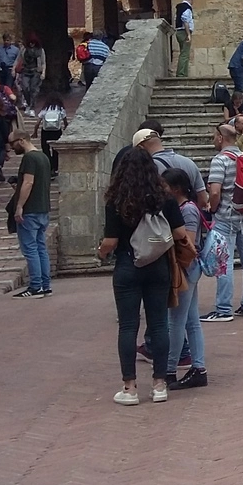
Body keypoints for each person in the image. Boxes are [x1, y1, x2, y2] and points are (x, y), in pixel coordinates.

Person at [97, 147, 188, 406]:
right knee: (159, 324)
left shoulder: (116, 199)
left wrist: (101, 252)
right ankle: (160, 384)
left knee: (128, 326)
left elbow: (110, 242)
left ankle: (130, 387)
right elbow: (181, 233)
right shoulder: (164, 197)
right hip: (158, 265)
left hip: (128, 265)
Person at [200, 124, 243, 322]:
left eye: (213, 136)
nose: (212, 140)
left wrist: (213, 207)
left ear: (221, 137)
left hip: (226, 217)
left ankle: (224, 308)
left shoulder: (220, 160)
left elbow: (215, 191)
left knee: (224, 263)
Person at [160, 168, 208, 389]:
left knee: (177, 321)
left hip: (186, 267)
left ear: (176, 188)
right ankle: (198, 367)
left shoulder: (187, 210)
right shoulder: (186, 208)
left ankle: (170, 370)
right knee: (190, 320)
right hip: (190, 267)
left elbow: (187, 242)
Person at [9, 131, 53, 298]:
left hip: (30, 209)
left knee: (30, 249)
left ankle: (36, 286)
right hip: (43, 208)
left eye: (13, 143)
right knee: (41, 248)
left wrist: (19, 206)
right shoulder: (43, 157)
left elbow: (28, 182)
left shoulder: (29, 158)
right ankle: (45, 284)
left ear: (21, 140)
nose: (11, 147)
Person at [32, 93, 68, 176]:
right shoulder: (60, 109)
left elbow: (37, 123)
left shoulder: (45, 109)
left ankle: (48, 166)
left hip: (46, 131)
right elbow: (65, 121)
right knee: (55, 150)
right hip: (56, 131)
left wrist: (35, 132)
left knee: (46, 149)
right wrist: (65, 127)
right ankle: (55, 168)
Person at [13, 34, 45, 115]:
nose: (31, 44)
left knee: (33, 90)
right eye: (30, 42)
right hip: (25, 71)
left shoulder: (40, 50)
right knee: (25, 87)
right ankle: (28, 103)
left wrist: (43, 72)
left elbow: (43, 62)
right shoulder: (23, 50)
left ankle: (32, 107)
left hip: (35, 71)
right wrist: (14, 69)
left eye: (33, 42)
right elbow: (18, 60)